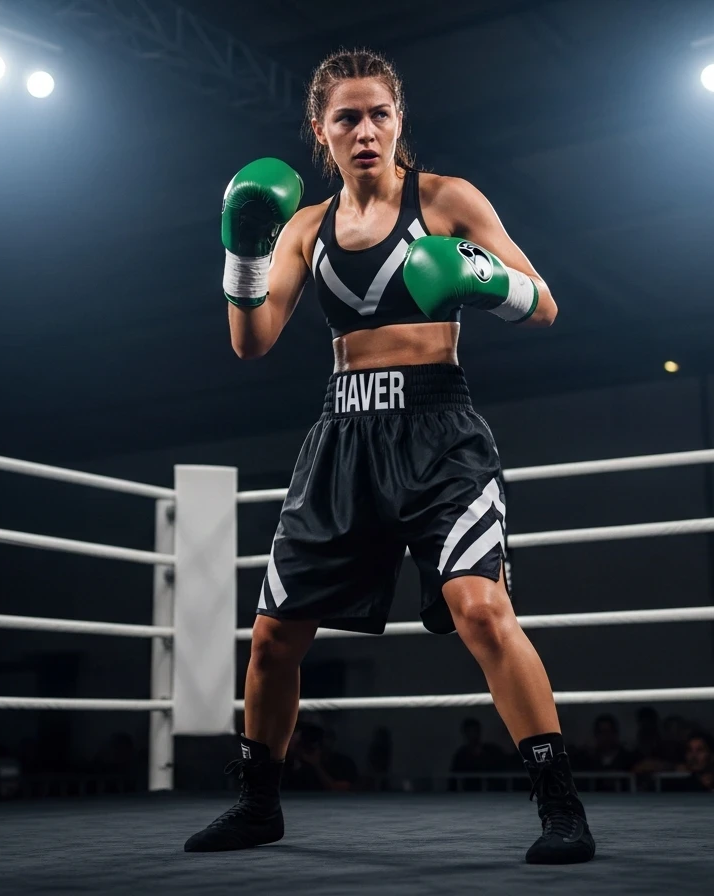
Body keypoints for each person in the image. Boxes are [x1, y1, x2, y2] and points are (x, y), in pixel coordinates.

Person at [183, 47, 593, 865]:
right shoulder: (302, 227)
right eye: (347, 118)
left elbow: (544, 304)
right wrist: (242, 250)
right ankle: (257, 803)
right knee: (271, 638)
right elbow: (250, 341)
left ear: (399, 120)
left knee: (482, 610)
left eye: (379, 114)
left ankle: (561, 806)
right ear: (319, 131)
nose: (365, 131)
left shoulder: (446, 200)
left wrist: (480, 277)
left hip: (440, 432)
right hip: (344, 439)